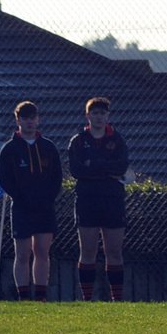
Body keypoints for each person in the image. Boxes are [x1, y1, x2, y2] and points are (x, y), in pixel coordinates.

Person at [0, 101, 64, 302]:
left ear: (38, 120)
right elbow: (5, 180)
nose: (29, 122)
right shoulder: (9, 149)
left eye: (33, 118)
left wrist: (47, 198)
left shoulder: (48, 147)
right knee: (23, 253)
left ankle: (41, 297)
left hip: (44, 208)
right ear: (18, 121)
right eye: (25, 118)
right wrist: (21, 198)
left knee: (42, 251)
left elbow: (57, 177)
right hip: (22, 208)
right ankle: (24, 297)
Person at [66, 97, 130, 301]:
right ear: (88, 116)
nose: (99, 117)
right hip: (87, 200)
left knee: (114, 251)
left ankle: (117, 299)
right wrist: (105, 168)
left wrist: (93, 165)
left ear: (108, 116)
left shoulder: (117, 140)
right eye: (95, 113)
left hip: (112, 199)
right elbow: (76, 171)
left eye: (103, 113)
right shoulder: (78, 141)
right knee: (88, 251)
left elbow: (121, 167)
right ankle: (87, 299)